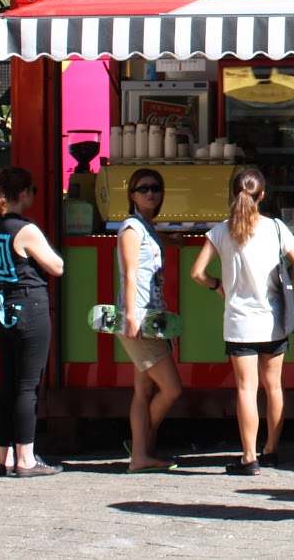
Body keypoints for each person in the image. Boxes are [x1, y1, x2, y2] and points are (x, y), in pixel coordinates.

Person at [191, 167, 294, 473]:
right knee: (274, 387)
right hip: (273, 320)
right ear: (262, 196)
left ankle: (249, 457)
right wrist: (284, 283)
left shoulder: (220, 231)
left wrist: (219, 287)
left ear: (233, 193)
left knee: (246, 389)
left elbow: (197, 273)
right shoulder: (277, 228)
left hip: (239, 322)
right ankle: (271, 451)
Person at [0, 166, 65, 477]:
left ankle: (5, 457)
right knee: (26, 387)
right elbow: (56, 266)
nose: (34, 194)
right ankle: (27, 460)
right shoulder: (25, 229)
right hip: (29, 304)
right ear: (21, 193)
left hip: (4, 305)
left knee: (8, 384)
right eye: (32, 189)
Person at [116, 167, 181, 472]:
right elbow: (130, 273)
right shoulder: (131, 228)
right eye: (143, 189)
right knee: (172, 388)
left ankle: (140, 455)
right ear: (132, 195)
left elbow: (151, 250)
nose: (150, 193)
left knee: (144, 391)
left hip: (151, 317)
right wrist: (130, 316)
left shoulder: (147, 227)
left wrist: (173, 238)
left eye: (155, 188)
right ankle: (140, 444)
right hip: (140, 319)